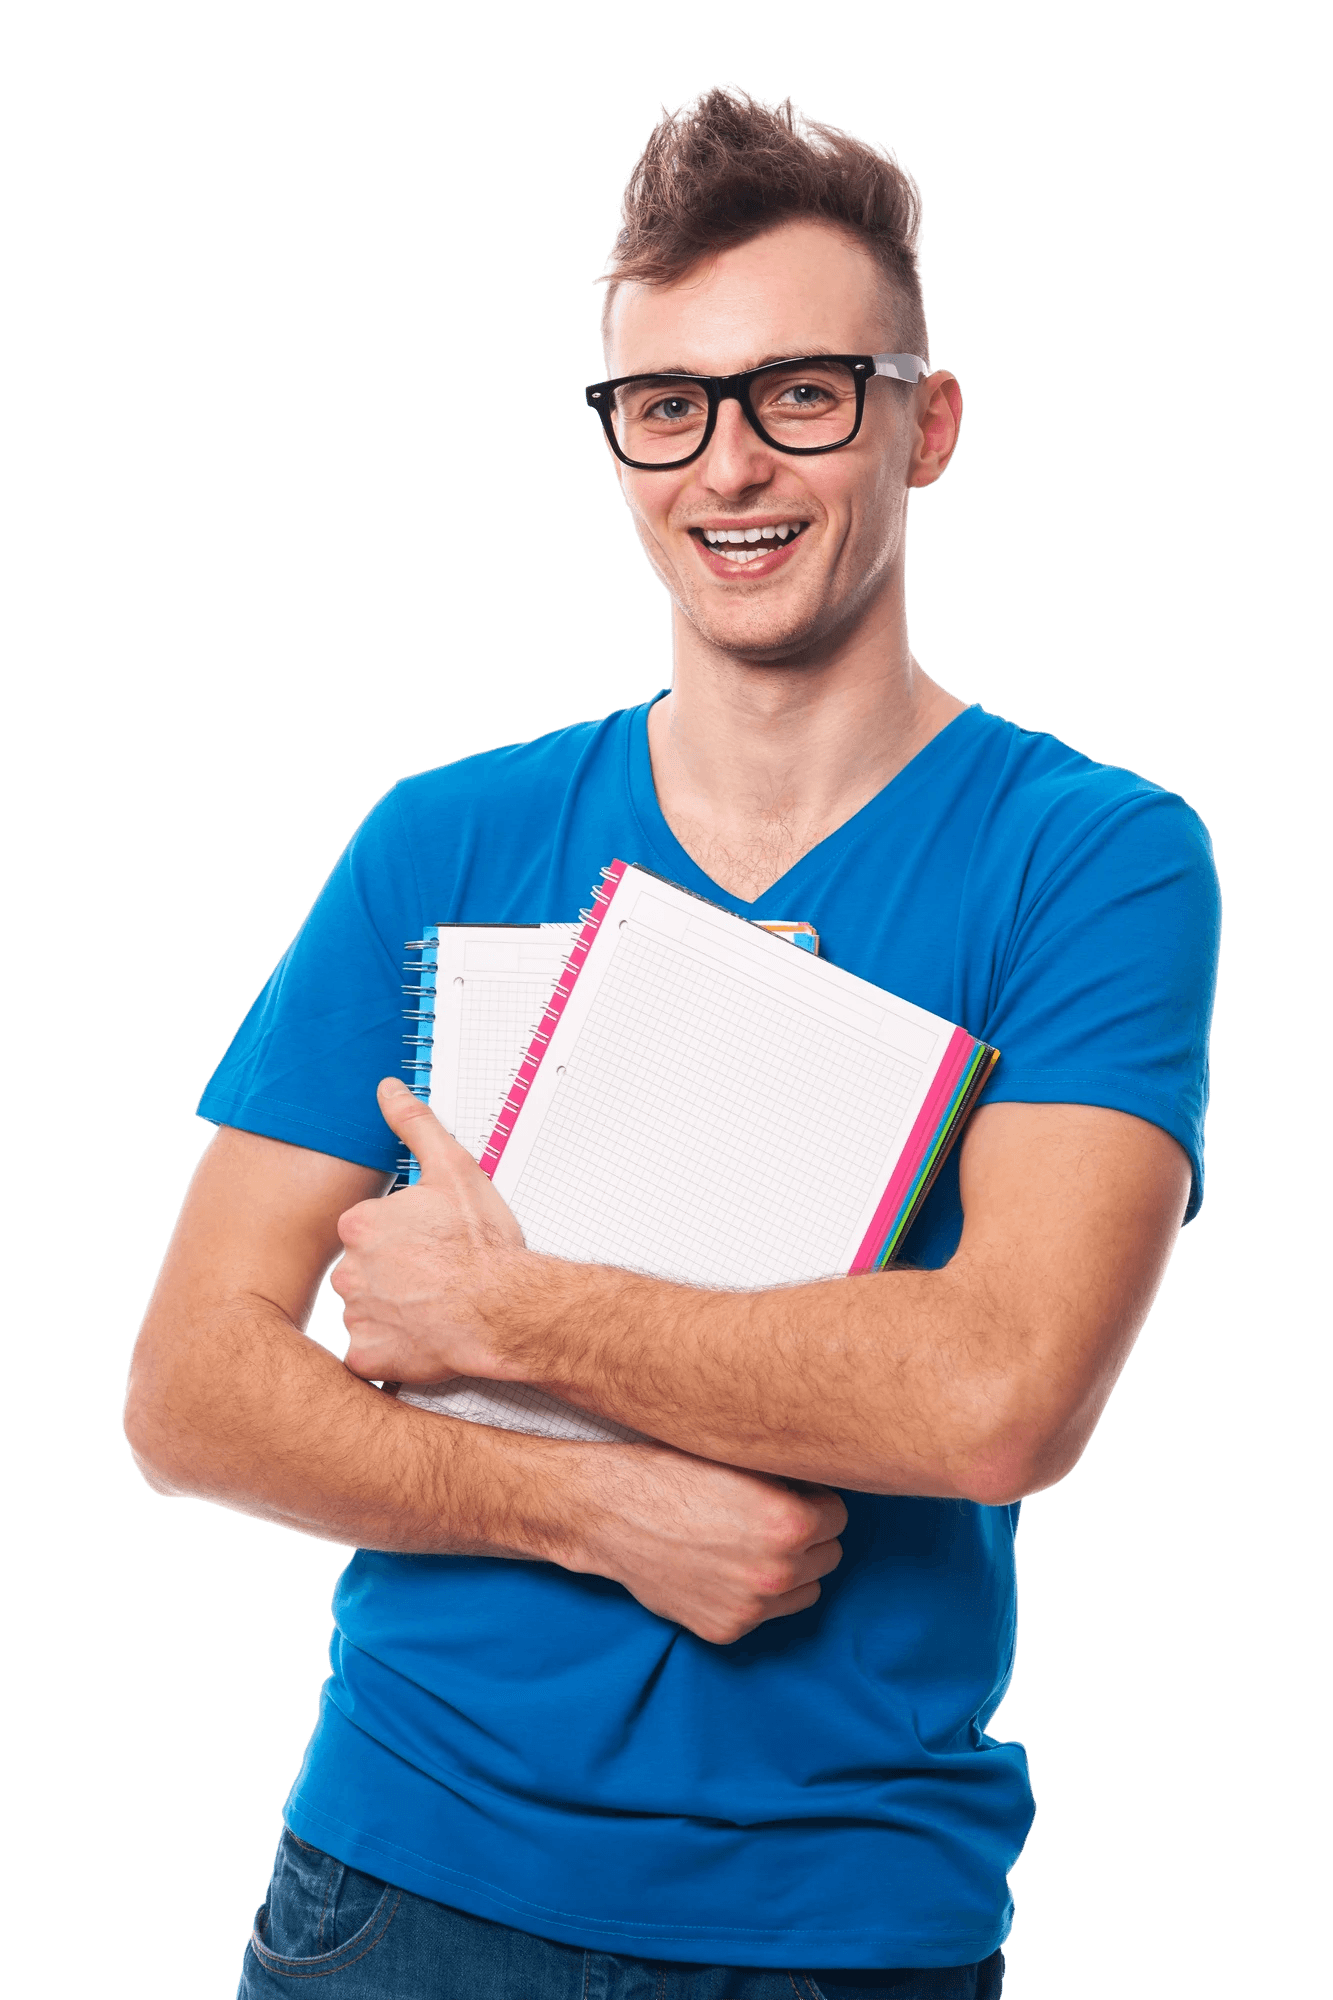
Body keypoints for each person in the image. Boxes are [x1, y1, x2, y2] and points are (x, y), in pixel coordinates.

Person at [124, 84, 1220, 2000]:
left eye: (804, 391)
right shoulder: (441, 839)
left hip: (841, 1925)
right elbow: (186, 1393)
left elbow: (1001, 1397)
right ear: (621, 443)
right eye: (669, 405)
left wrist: (505, 1317)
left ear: (923, 421)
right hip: (394, 1888)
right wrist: (597, 1503)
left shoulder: (1093, 856)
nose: (733, 466)